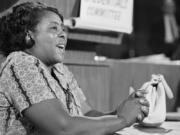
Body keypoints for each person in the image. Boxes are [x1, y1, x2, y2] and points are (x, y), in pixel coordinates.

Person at [0, 2, 149, 135]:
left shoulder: (59, 69)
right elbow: (62, 128)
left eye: (63, 29)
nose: (63, 34)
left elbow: (87, 115)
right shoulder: (19, 63)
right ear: (29, 35)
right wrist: (122, 120)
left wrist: (119, 112)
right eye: (54, 28)